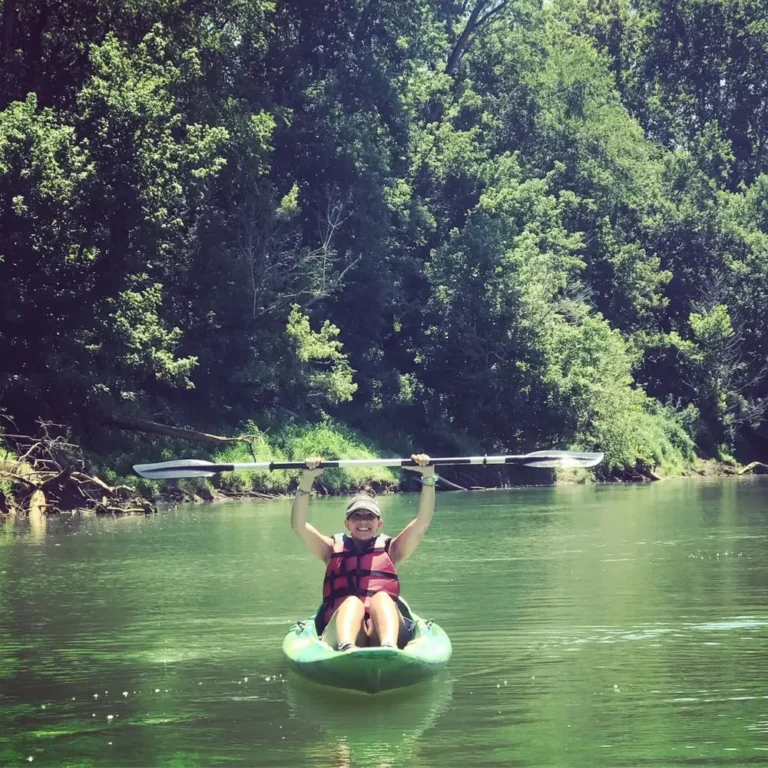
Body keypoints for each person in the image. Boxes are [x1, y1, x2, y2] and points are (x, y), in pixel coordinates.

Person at [290, 454, 436, 651]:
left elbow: (422, 522)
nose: (363, 521)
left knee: (381, 598)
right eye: (356, 516)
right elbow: (298, 525)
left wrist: (428, 478)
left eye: (370, 516)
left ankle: (388, 648)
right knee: (352, 602)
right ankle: (348, 649)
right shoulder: (331, 549)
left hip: (385, 632)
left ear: (379, 523)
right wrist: (307, 479)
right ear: (347, 523)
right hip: (340, 634)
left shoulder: (392, 549)